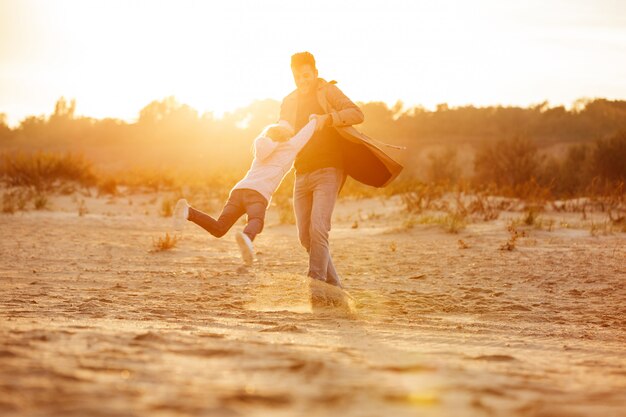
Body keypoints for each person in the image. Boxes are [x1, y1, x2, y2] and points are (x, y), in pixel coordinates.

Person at [279, 52, 403, 289]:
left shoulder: (328, 91)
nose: (302, 81)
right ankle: (335, 287)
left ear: (315, 73)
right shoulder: (289, 100)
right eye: (297, 77)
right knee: (305, 237)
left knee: (319, 229)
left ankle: (315, 285)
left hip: (328, 169)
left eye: (306, 76)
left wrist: (328, 119)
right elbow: (284, 125)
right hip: (301, 172)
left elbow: (357, 113)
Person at [173, 119, 318, 265]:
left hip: (238, 191)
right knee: (256, 220)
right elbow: (305, 134)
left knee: (219, 228)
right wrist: (315, 119)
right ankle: (247, 238)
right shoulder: (289, 147)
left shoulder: (262, 147)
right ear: (287, 136)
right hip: (258, 193)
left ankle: (189, 212)